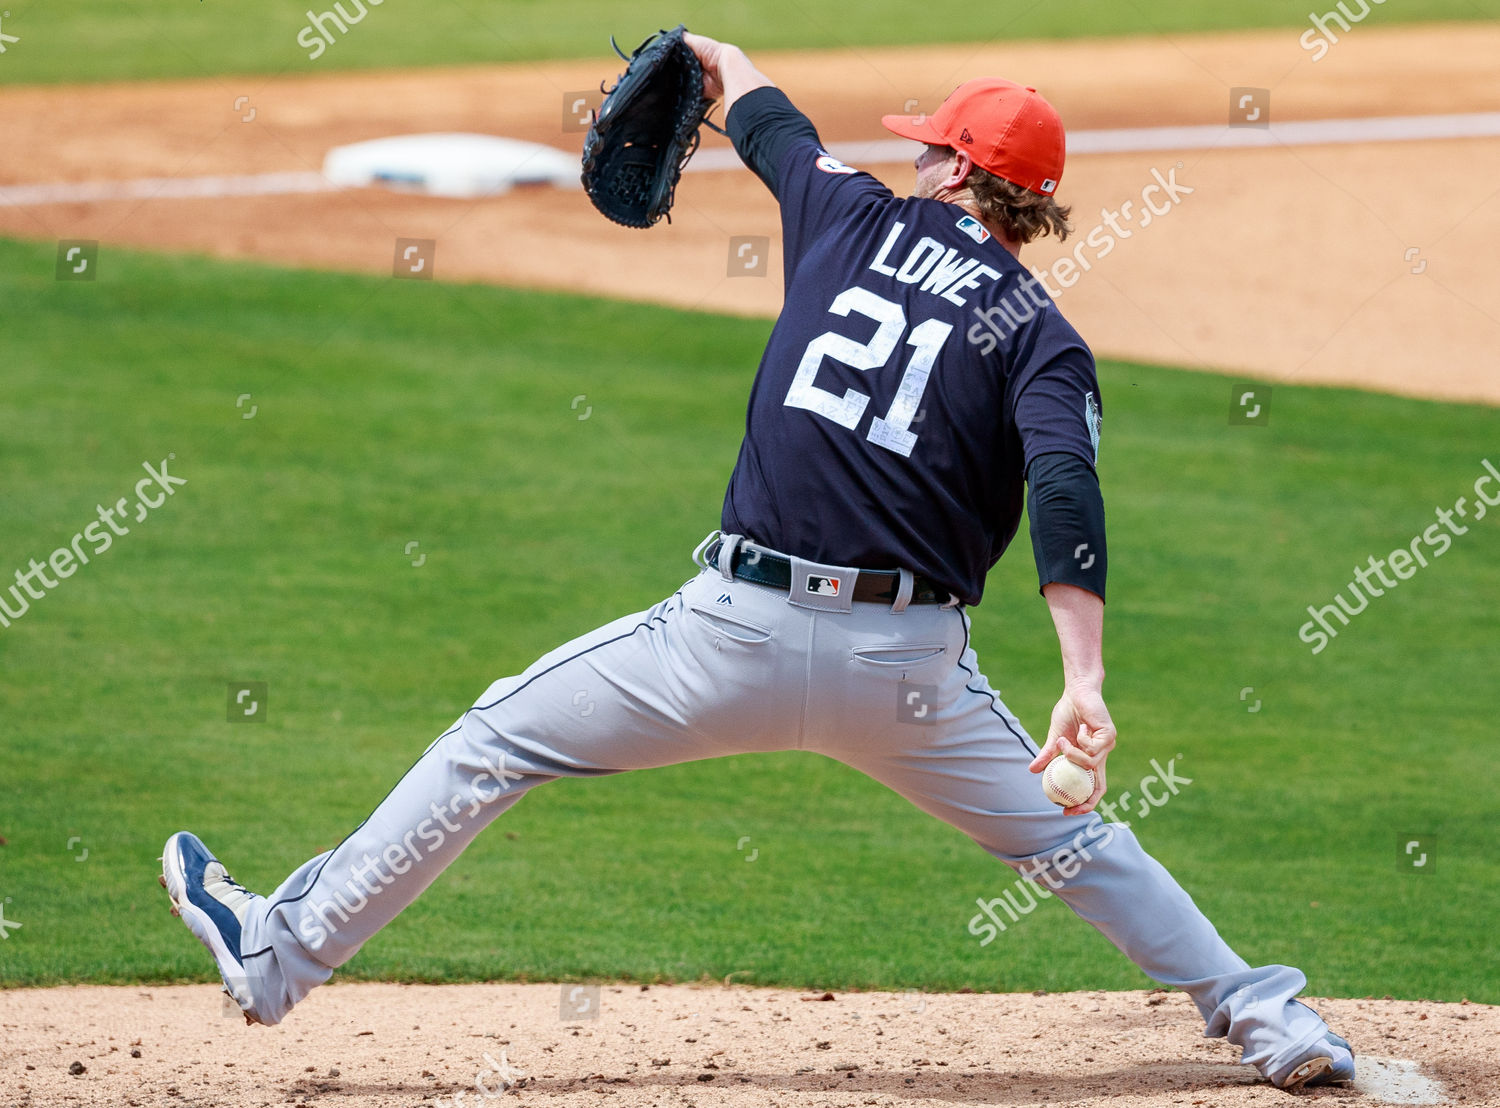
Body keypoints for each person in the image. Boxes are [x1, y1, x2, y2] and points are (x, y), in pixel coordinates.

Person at [160, 32, 1353, 1092]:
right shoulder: (1044, 334)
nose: (917, 161)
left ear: (952, 171)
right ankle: (1266, 1016)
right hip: (909, 677)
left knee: (492, 742)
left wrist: (690, 48)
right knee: (1078, 846)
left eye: (931, 148)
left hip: (725, 639)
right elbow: (1066, 489)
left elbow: (734, 75)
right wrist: (1082, 679)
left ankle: (278, 955)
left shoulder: (845, 213)